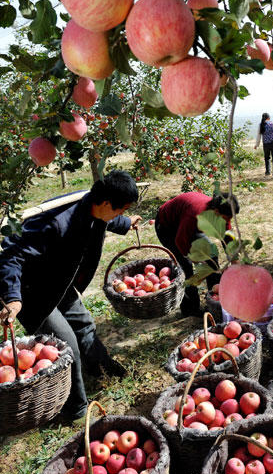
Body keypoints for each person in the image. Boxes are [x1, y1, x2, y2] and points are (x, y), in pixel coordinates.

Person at [0, 170, 142, 420]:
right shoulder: (55, 221)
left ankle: (101, 368)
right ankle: (74, 407)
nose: (119, 215)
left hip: (58, 282)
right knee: (66, 346)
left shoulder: (96, 205)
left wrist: (127, 223)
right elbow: (11, 254)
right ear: (107, 202)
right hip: (32, 293)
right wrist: (12, 296)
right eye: (119, 210)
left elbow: (108, 219)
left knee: (85, 325)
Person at [155, 191, 239, 316]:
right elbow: (180, 241)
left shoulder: (223, 212)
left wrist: (235, 260)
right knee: (185, 267)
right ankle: (190, 310)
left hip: (189, 225)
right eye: (226, 218)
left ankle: (215, 299)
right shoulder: (195, 214)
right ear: (216, 212)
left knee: (211, 257)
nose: (228, 221)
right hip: (168, 227)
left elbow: (227, 236)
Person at [254, 113, 273, 177]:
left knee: (267, 158)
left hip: (266, 144)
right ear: (268, 117)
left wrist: (256, 145)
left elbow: (258, 136)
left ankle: (268, 172)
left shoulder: (261, 125)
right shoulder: (272, 123)